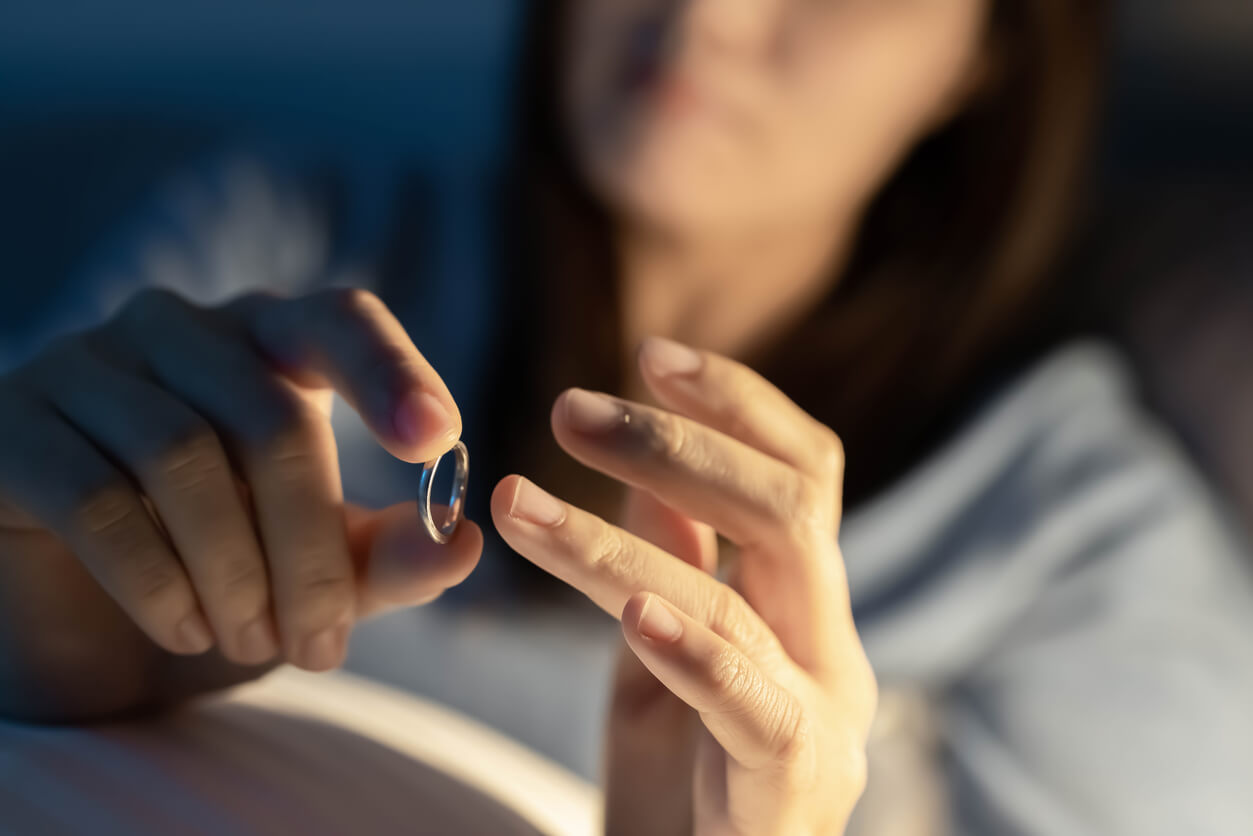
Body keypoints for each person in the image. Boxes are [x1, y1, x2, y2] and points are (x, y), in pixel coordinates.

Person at [2, 0, 1253, 833]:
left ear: (988, 54)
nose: (704, 10)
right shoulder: (270, 256)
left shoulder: (1093, 563)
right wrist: (28, 637)